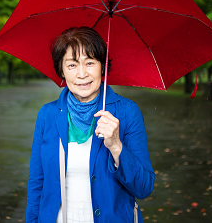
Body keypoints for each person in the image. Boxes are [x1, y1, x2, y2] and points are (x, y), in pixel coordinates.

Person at [26, 26, 154, 222]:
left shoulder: (127, 111)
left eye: (90, 62)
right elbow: (37, 184)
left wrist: (117, 147)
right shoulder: (47, 114)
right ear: (61, 70)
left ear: (102, 66)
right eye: (72, 65)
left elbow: (144, 187)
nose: (82, 74)